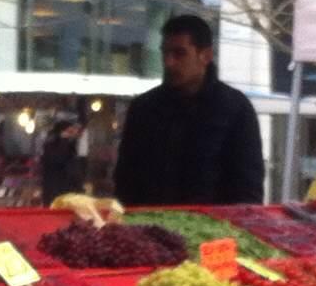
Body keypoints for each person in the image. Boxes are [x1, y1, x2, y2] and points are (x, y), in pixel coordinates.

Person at [112, 14, 265, 206]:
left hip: (213, 231)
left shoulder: (235, 109)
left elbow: (247, 190)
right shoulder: (143, 109)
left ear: (206, 55)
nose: (169, 62)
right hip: (147, 227)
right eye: (165, 53)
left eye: (179, 53)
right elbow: (125, 180)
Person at [38, 114, 84, 205]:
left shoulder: (69, 146)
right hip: (58, 192)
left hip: (67, 192)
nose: (77, 133)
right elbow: (58, 162)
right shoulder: (53, 145)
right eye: (73, 129)